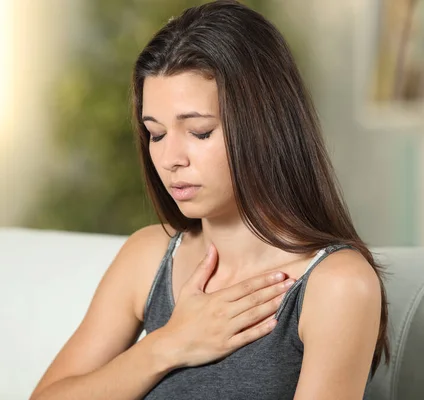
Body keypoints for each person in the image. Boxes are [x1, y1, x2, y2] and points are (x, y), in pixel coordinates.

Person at [30, 1, 389, 399]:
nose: (170, 160)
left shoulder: (338, 286)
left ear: (264, 126)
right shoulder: (148, 257)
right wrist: (168, 344)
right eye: (156, 134)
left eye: (199, 132)